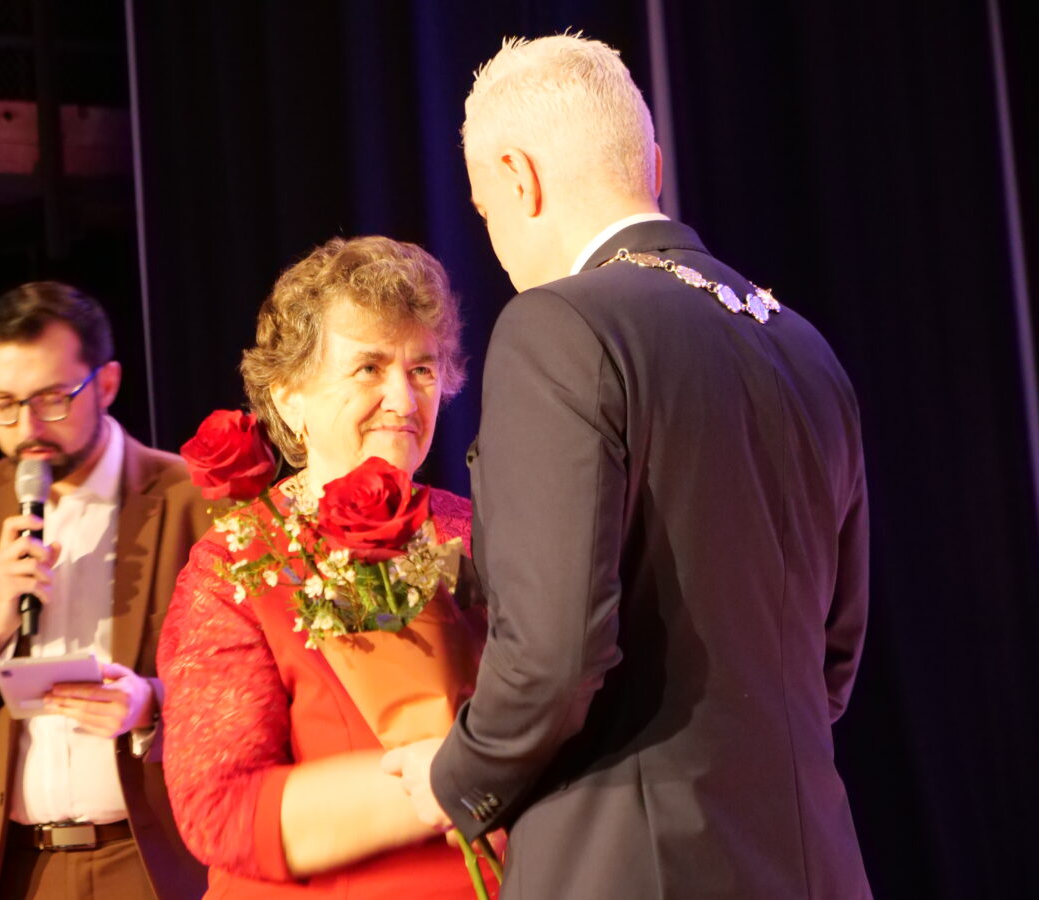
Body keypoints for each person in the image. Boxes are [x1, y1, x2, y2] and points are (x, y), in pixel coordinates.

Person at [383, 34, 872, 899]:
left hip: (634, 866)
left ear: (518, 178)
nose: (495, 241)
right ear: (652, 165)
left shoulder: (557, 328)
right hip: (815, 865)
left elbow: (555, 656)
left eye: (485, 209)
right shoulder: (803, 345)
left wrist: (455, 777)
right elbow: (834, 653)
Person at [156, 236, 491, 898]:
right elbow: (222, 812)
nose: (404, 399)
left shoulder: (477, 530)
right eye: (368, 367)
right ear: (289, 398)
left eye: (422, 370)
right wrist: (466, 777)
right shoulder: (235, 565)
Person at [0, 282, 211, 900]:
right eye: (2, 405)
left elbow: (267, 687)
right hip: (14, 871)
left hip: (152, 861)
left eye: (52, 400)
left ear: (106, 384)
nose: (26, 428)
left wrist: (152, 704)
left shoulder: (192, 497)